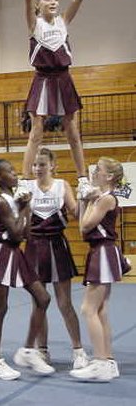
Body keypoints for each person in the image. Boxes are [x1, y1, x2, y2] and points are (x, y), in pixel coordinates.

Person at [13, 0, 112, 190]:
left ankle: (82, 179)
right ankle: (24, 181)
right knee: (36, 131)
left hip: (64, 77)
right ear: (39, 5)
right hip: (43, 78)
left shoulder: (63, 21)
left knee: (72, 131)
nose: (54, 2)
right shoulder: (34, 24)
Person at [0, 159, 53, 380]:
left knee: (43, 298)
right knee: (1, 307)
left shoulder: (14, 200)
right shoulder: (2, 202)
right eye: (9, 171)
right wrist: (26, 207)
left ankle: (28, 350)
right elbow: (18, 233)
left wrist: (22, 208)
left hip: (15, 252)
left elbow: (25, 234)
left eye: (13, 169)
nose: (15, 173)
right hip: (1, 253)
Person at [19, 147, 88, 370]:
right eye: (35, 164)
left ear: (52, 165)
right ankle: (42, 350)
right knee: (39, 303)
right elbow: (19, 220)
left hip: (57, 246)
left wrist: (84, 197)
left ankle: (78, 351)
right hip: (33, 247)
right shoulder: (26, 187)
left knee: (64, 303)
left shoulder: (62, 186)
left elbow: (76, 213)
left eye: (42, 164)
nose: (37, 168)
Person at [70, 157, 130, 382]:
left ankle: (100, 362)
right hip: (101, 250)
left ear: (109, 176)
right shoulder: (102, 198)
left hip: (103, 251)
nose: (94, 172)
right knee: (101, 309)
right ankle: (108, 360)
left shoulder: (106, 199)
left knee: (88, 309)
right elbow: (83, 228)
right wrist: (86, 200)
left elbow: (85, 226)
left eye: (99, 170)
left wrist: (87, 200)